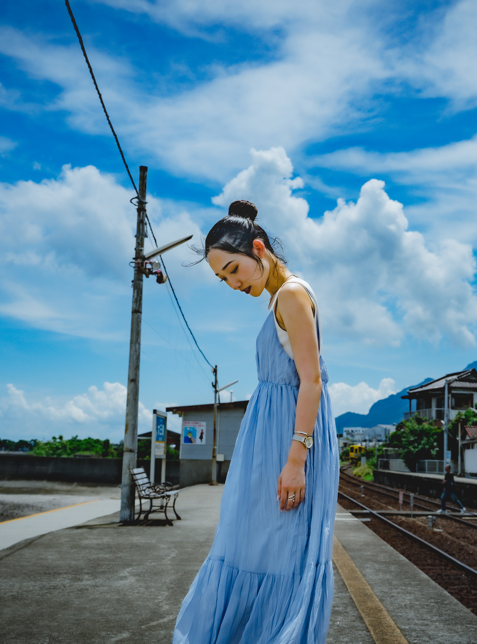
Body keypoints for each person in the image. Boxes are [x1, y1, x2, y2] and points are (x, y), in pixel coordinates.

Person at [172, 200, 338, 644]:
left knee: (279, 549)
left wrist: (296, 461)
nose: (231, 283)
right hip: (272, 443)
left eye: (233, 269)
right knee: (258, 545)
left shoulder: (292, 294)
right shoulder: (278, 300)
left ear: (258, 249)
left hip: (288, 444)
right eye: (223, 277)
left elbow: (312, 382)